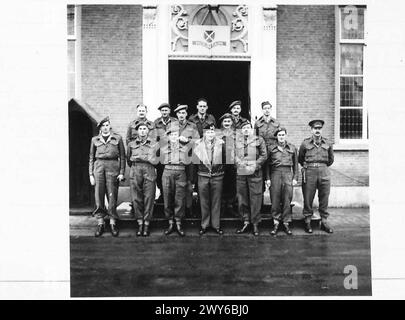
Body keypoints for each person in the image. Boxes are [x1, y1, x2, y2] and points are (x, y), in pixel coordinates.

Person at [89, 117, 125, 237]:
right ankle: (100, 223)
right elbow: (91, 158)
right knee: (99, 195)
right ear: (100, 128)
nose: (105, 127)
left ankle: (112, 222)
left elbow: (123, 157)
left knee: (112, 195)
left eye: (107, 125)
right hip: (98, 167)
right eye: (103, 125)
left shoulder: (117, 138)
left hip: (113, 167)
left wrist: (121, 172)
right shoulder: (95, 140)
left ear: (110, 126)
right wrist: (90, 174)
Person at [298, 120, 334, 234]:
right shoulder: (305, 143)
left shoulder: (328, 143)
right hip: (310, 172)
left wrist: (322, 166)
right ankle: (307, 220)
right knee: (308, 197)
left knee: (324, 197)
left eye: (319, 128)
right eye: (315, 128)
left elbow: (331, 159)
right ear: (311, 130)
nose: (317, 130)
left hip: (324, 171)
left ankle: (324, 221)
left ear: (321, 130)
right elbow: (300, 158)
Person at [159, 123, 195, 237]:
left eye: (176, 134)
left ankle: (178, 222)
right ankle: (170, 222)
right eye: (171, 134)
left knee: (179, 198)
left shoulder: (186, 147)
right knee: (167, 197)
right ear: (168, 136)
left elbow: (191, 159)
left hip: (181, 172)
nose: (174, 136)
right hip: (167, 172)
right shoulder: (162, 146)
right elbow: (157, 162)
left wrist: (187, 141)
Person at [234, 121, 267, 236]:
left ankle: (255, 223)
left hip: (255, 173)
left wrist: (254, 166)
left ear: (252, 129)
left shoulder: (259, 140)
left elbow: (264, 155)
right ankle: (246, 221)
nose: (246, 129)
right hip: (241, 173)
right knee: (242, 198)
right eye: (244, 128)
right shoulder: (237, 141)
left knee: (255, 198)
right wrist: (241, 164)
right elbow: (233, 155)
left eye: (248, 127)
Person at [127, 123, 159, 237]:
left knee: (149, 197)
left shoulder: (154, 144)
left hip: (149, 169)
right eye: (140, 129)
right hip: (135, 169)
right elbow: (129, 160)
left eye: (144, 128)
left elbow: (157, 160)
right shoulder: (131, 144)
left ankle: (146, 224)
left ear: (148, 131)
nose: (142, 131)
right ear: (137, 131)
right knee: (136, 198)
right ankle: (140, 223)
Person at [193, 123, 225, 235]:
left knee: (216, 201)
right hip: (203, 175)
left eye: (212, 131)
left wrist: (220, 170)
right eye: (208, 132)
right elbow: (194, 163)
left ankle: (216, 225)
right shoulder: (197, 144)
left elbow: (226, 160)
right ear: (204, 133)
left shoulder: (221, 144)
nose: (210, 134)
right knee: (204, 201)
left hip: (217, 175)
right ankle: (204, 225)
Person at [266, 127, 298, 236]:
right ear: (276, 137)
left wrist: (295, 178)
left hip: (287, 174)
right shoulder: (271, 149)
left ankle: (286, 222)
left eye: (283, 135)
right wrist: (268, 178)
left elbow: (295, 164)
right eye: (279, 135)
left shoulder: (292, 148)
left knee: (287, 198)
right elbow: (267, 165)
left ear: (286, 135)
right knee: (275, 198)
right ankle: (275, 222)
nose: (281, 137)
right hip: (275, 173)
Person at [174, 104, 199, 215]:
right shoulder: (172, 126)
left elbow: (198, 141)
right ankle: (179, 210)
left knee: (189, 184)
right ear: (176, 114)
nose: (181, 115)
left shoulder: (192, 126)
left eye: (183, 113)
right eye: (179, 113)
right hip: (176, 160)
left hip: (189, 158)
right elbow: (165, 141)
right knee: (177, 185)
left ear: (186, 114)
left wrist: (187, 140)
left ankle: (189, 208)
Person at [153, 103, 178, 202]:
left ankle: (172, 197)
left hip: (172, 152)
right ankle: (163, 195)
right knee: (160, 174)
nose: (164, 112)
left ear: (169, 111)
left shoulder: (175, 121)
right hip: (160, 152)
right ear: (160, 111)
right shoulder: (156, 122)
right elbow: (154, 137)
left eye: (166, 110)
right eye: (162, 110)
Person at [218, 113, 237, 216]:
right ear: (222, 123)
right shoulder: (217, 134)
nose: (227, 123)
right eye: (225, 121)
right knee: (221, 185)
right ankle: (222, 206)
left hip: (233, 164)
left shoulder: (236, 135)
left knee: (232, 185)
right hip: (221, 163)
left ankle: (230, 206)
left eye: (229, 121)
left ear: (232, 123)